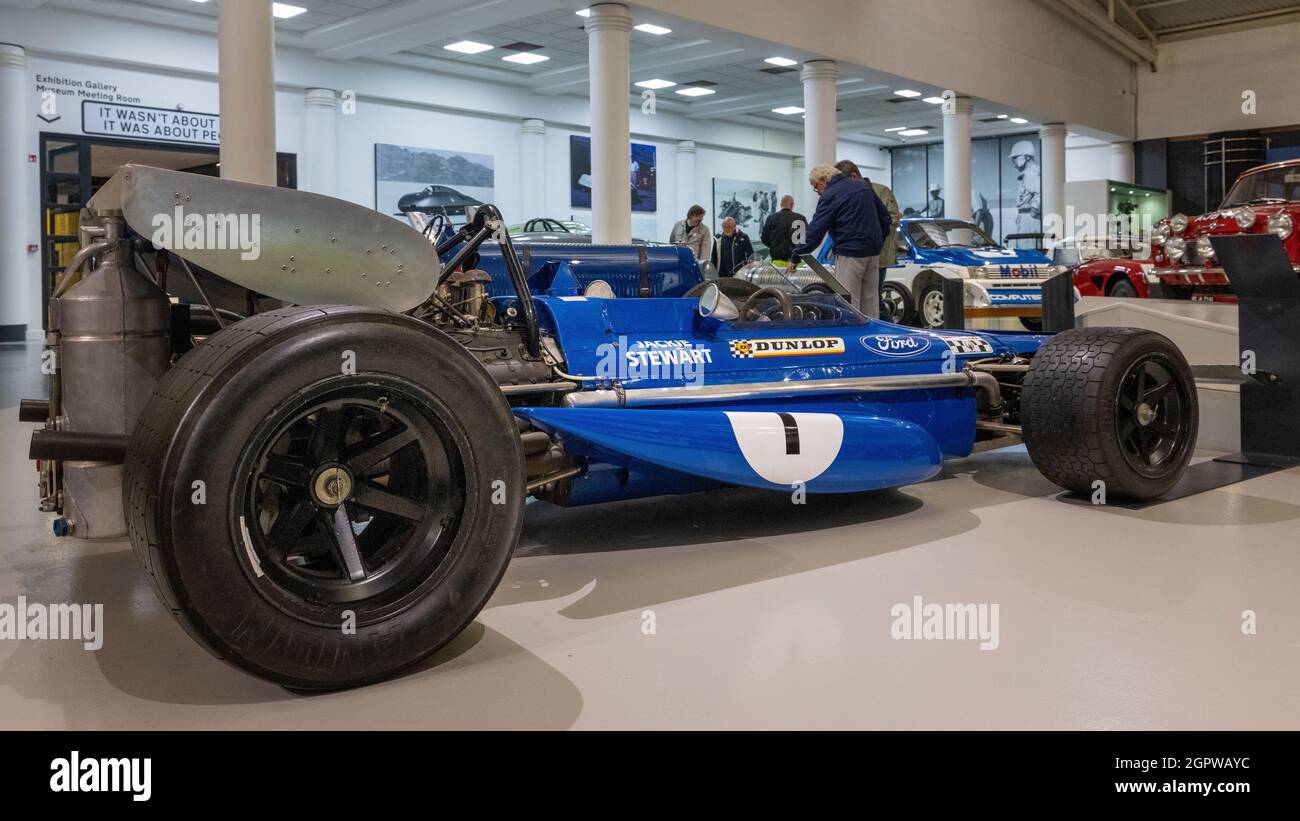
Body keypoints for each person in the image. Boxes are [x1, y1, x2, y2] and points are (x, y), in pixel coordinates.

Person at [788, 164, 891, 318]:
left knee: (848, 302)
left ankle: (851, 339)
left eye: (816, 187)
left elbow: (816, 230)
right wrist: (877, 241)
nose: (817, 192)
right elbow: (885, 218)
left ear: (824, 180)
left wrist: (796, 255)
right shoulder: (863, 187)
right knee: (871, 302)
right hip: (873, 252)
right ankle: (870, 339)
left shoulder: (831, 194)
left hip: (850, 252)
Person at [760, 194, 807, 268]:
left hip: (777, 262)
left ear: (781, 204)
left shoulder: (771, 218)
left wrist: (774, 246)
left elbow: (764, 238)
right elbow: (806, 238)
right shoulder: (801, 218)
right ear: (792, 205)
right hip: (796, 263)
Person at [1009, 140, 1041, 235]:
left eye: (1015, 158)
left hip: (1029, 218)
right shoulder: (1029, 173)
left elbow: (1041, 192)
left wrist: (1034, 210)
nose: (1014, 162)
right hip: (1026, 216)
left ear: (1026, 157)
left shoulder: (1031, 174)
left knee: (1027, 245)